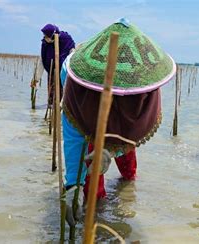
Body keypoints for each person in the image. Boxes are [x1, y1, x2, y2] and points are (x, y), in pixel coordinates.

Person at [60, 18, 175, 226]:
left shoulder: (145, 96)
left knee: (128, 166)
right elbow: (73, 138)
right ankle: (94, 212)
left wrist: (112, 151)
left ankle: (128, 182)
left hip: (125, 130)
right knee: (91, 183)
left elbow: (134, 132)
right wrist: (72, 186)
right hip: (90, 120)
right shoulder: (75, 89)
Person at [40, 24, 75, 105]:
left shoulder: (66, 39)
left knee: (64, 95)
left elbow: (72, 54)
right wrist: (36, 79)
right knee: (52, 97)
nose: (45, 38)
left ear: (52, 35)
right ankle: (52, 111)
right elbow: (42, 60)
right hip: (52, 72)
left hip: (64, 72)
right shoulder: (45, 44)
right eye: (44, 36)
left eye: (46, 36)